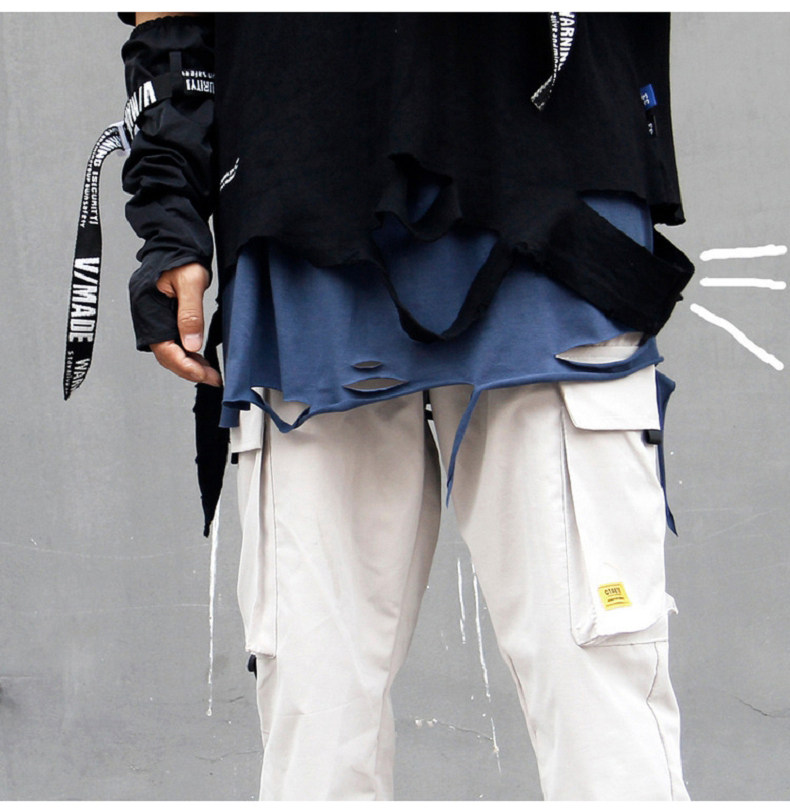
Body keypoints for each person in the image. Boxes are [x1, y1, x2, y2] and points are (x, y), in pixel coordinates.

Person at [116, 11, 694, 800]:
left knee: (601, 705)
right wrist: (169, 199)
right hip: (304, 206)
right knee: (316, 722)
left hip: (549, 196)